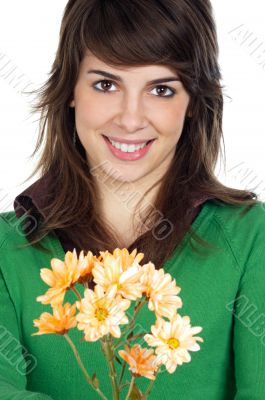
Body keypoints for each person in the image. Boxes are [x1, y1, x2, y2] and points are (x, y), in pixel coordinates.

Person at [0, 0, 264, 399]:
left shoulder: (250, 239)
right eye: (106, 84)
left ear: (193, 102)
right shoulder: (7, 250)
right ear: (70, 89)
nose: (130, 118)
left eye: (161, 89)